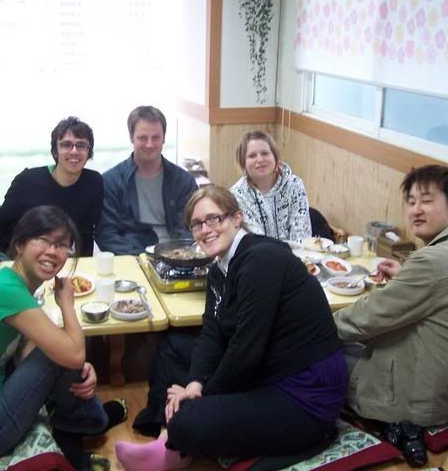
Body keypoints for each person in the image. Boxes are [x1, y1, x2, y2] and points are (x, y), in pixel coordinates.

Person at [115, 186, 347, 471]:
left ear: (237, 218)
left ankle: (176, 436)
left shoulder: (261, 259)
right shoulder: (219, 269)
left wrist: (203, 395)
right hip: (266, 369)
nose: (205, 229)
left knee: (190, 417)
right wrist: (195, 383)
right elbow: (212, 333)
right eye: (197, 224)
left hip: (304, 394)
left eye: (214, 218)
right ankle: (167, 435)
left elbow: (246, 350)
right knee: (173, 347)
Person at [0, 206, 123, 468]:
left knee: (59, 351)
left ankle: (84, 423)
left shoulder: (10, 283)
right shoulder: (8, 292)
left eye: (62, 245)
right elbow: (73, 355)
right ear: (19, 245)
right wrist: (67, 304)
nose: (53, 251)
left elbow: (28, 355)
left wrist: (76, 364)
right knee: (61, 353)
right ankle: (86, 424)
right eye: (43, 240)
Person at [334, 165, 448, 428]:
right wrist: (406, 275)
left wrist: (316, 325)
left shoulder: (432, 261)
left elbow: (366, 319)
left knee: (317, 350)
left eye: (427, 201)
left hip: (425, 401)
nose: (416, 210)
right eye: (411, 202)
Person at [0, 117, 103, 260]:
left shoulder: (94, 182)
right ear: (55, 151)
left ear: (88, 151)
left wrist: (83, 266)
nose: (74, 151)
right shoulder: (27, 180)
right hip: (9, 256)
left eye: (81, 145)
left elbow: (86, 233)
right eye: (66, 145)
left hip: (47, 258)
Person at [95, 105, 197, 255]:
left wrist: (177, 256)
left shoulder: (184, 181)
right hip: (131, 256)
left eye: (156, 138)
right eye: (142, 138)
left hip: (176, 256)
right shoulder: (110, 182)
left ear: (164, 139)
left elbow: (191, 228)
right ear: (131, 138)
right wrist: (138, 259)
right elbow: (107, 234)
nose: (150, 144)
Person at [230, 130, 312, 242]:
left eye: (265, 153)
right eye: (252, 156)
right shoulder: (237, 195)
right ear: (243, 162)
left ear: (275, 157)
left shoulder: (294, 185)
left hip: (296, 252)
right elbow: (256, 241)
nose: (260, 160)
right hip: (260, 252)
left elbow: (301, 236)